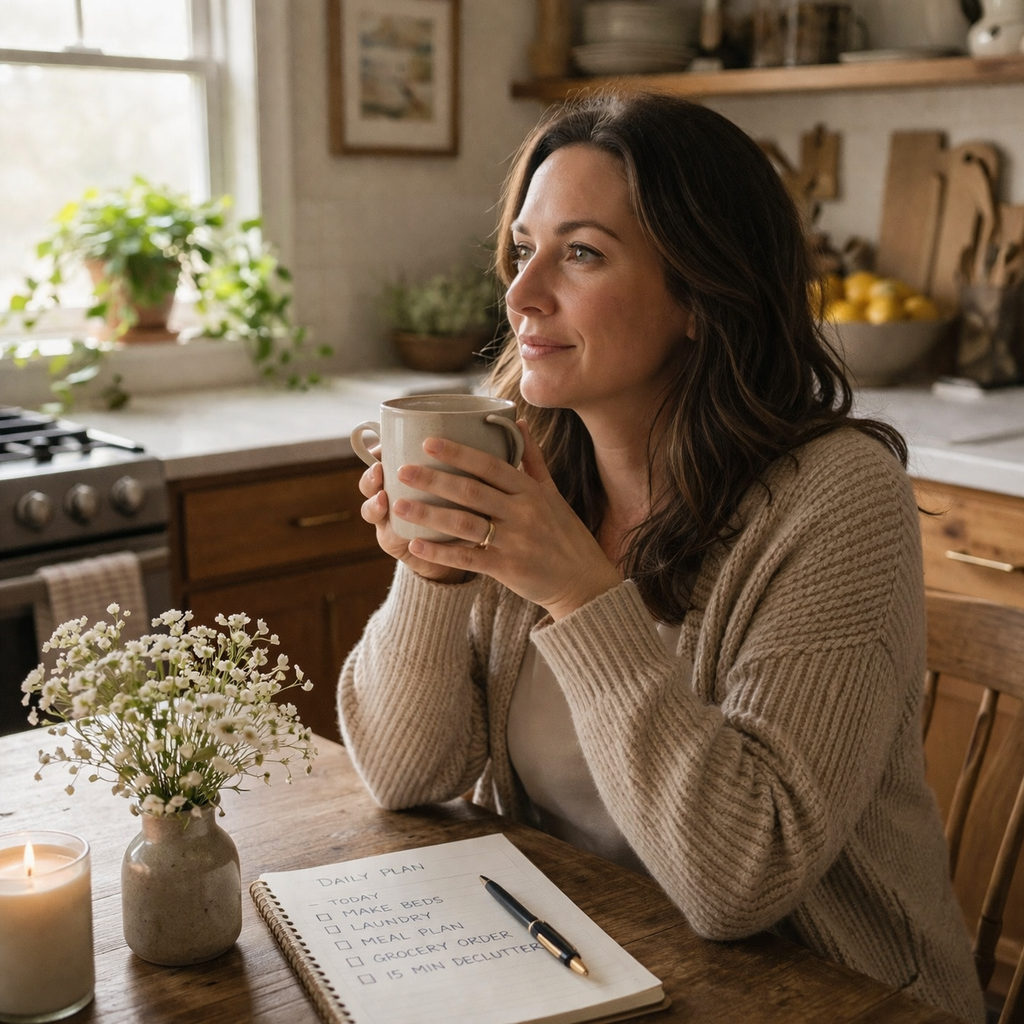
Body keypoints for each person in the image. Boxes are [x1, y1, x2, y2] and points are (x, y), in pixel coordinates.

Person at [338, 92, 984, 1023]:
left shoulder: (837, 499)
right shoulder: (532, 458)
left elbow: (741, 880)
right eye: (523, 250)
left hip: (832, 995)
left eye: (583, 253)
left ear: (700, 292)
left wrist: (575, 587)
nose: (521, 295)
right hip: (590, 967)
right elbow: (406, 773)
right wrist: (433, 573)